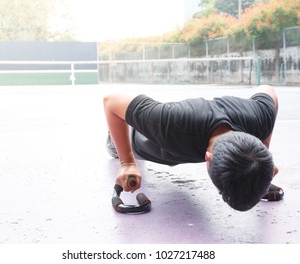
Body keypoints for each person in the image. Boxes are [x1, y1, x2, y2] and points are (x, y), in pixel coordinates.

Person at [103, 85, 283, 211]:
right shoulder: (170, 122)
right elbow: (111, 101)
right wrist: (127, 162)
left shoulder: (260, 117)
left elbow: (268, 91)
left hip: (182, 130)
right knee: (119, 144)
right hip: (137, 140)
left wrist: (262, 156)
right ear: (208, 157)